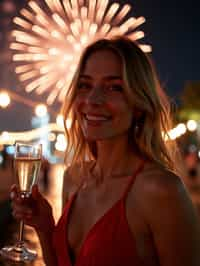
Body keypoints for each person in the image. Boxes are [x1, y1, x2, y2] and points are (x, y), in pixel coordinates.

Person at [10, 36, 200, 266]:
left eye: (114, 87)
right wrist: (45, 227)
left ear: (139, 105)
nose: (92, 99)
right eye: (85, 85)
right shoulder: (74, 177)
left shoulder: (161, 191)